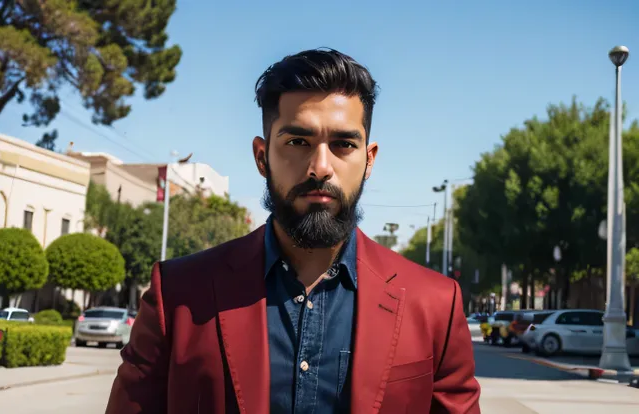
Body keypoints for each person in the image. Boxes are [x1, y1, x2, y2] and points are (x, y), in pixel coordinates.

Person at [106, 48, 481, 414]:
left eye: (343, 144)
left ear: (369, 160)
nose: (320, 167)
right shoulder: (178, 294)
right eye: (298, 142)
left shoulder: (434, 304)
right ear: (261, 156)